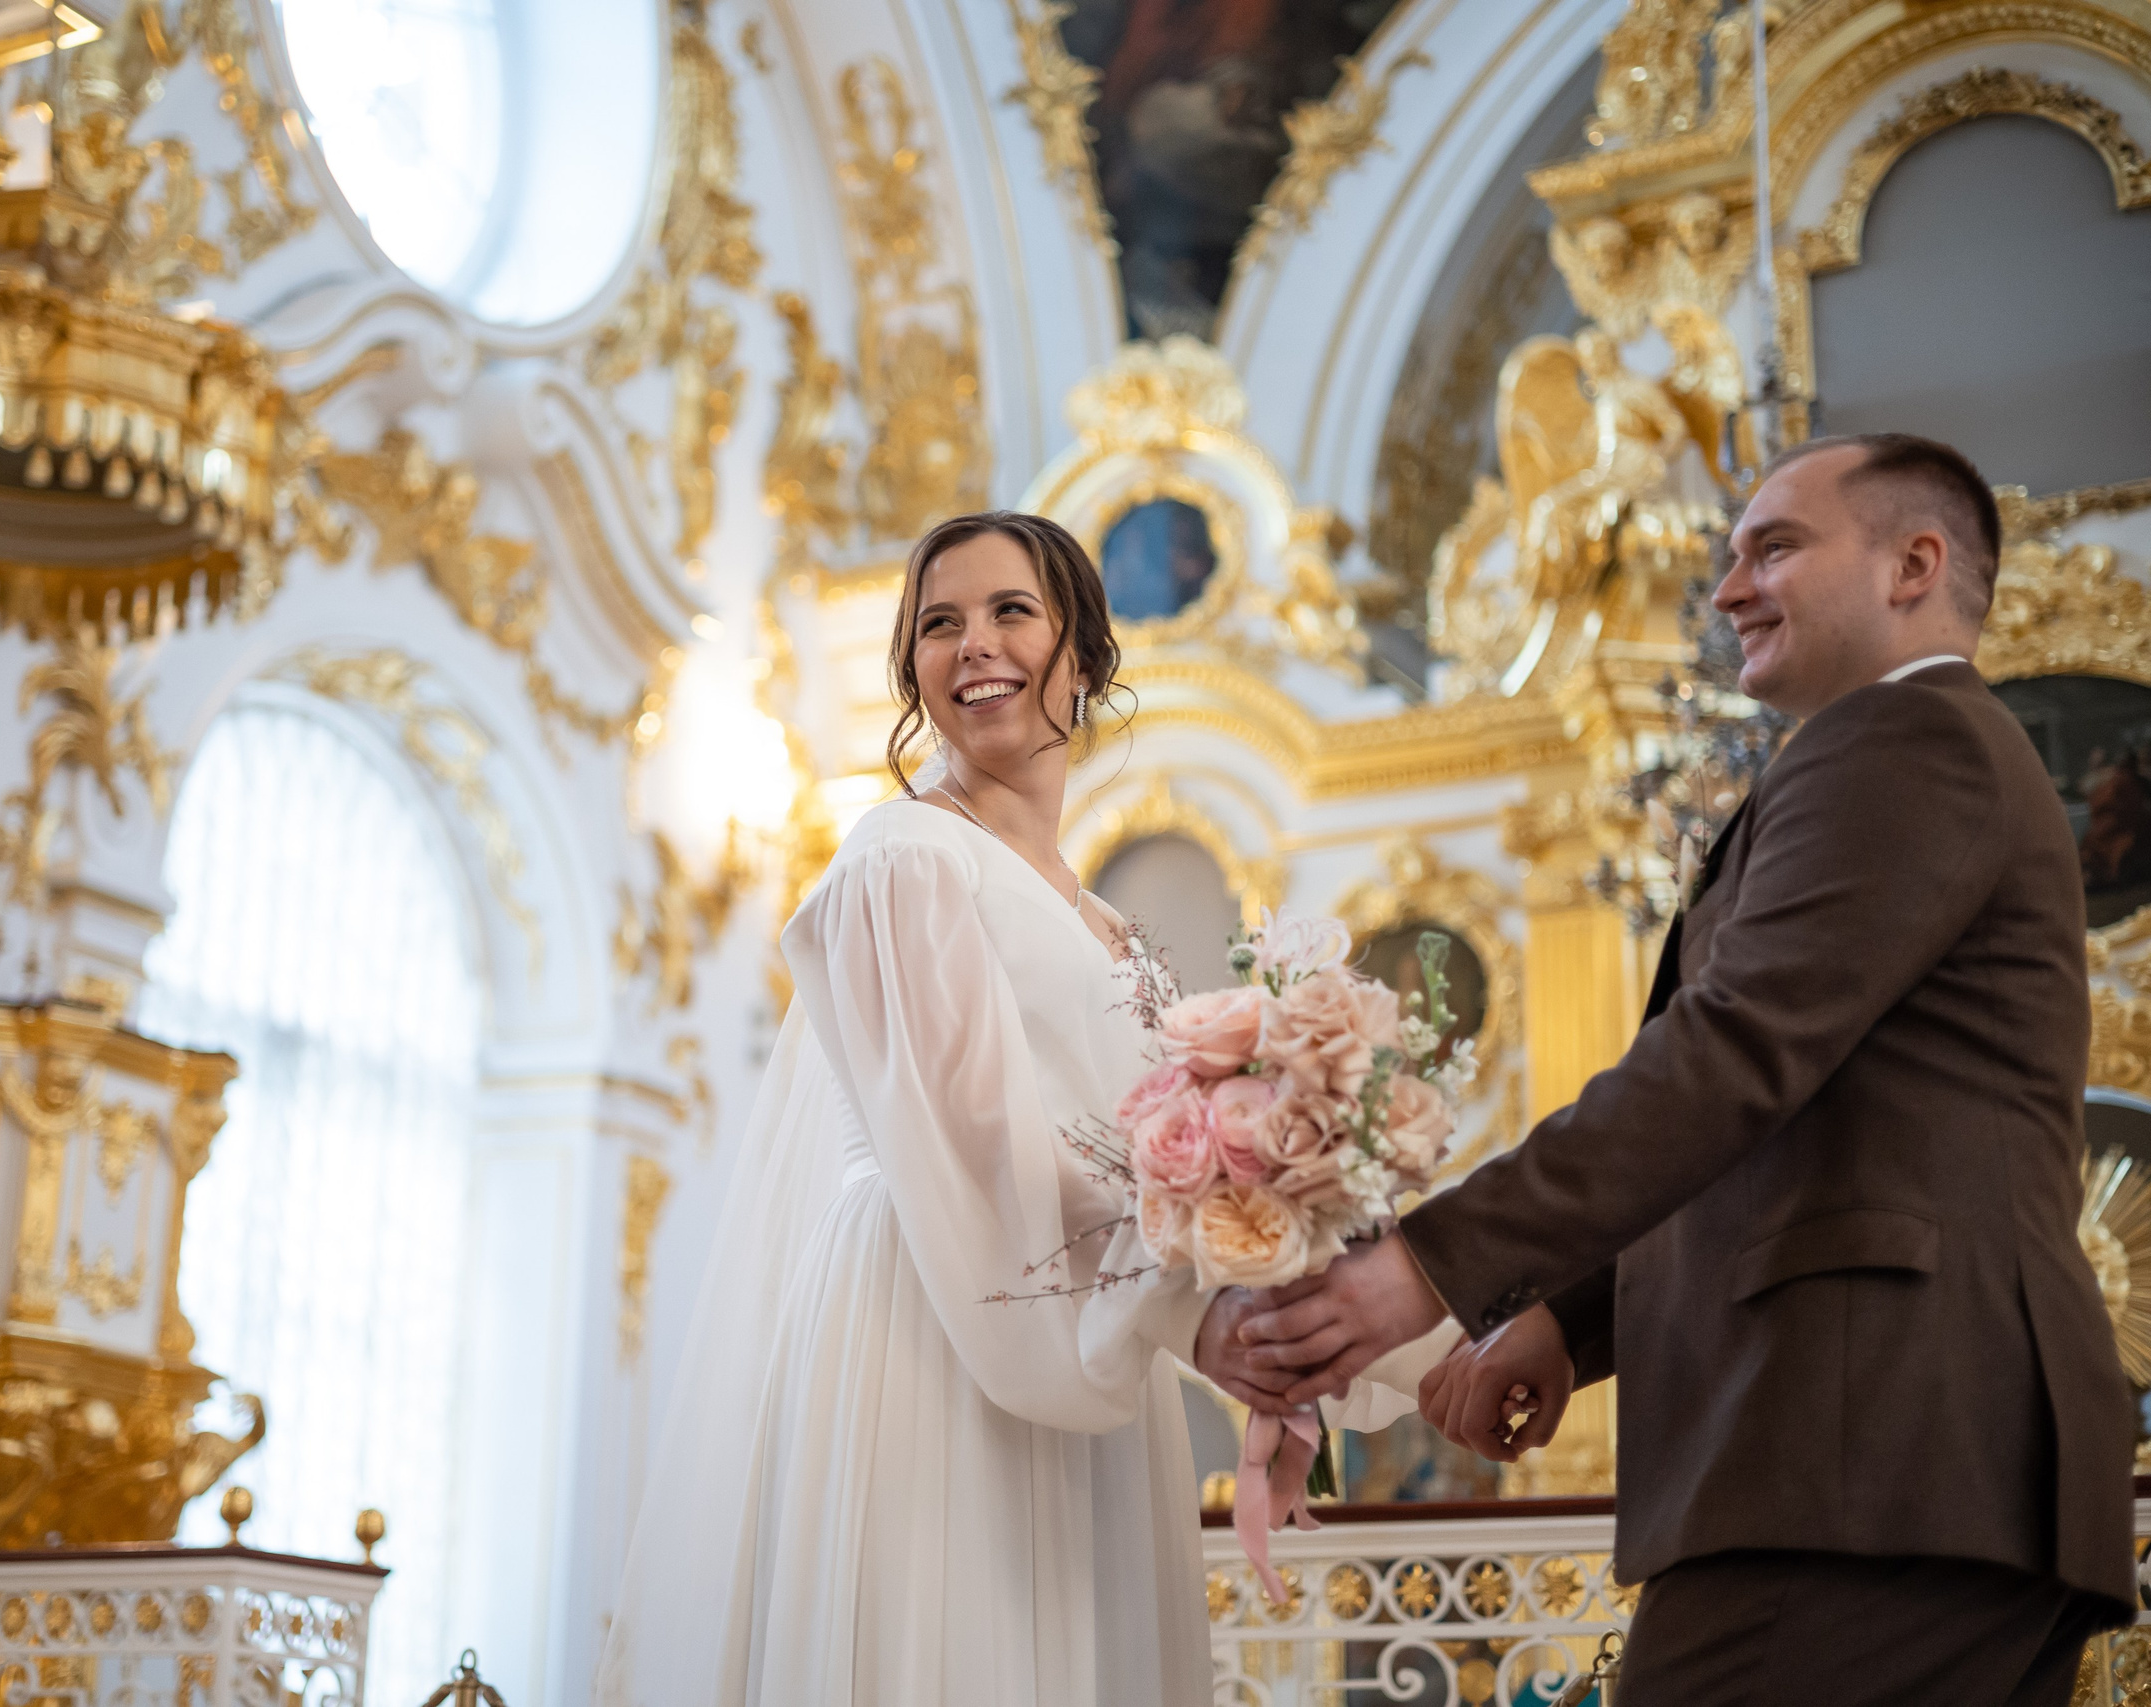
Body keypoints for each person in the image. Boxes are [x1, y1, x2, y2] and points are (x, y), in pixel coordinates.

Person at [1231, 435, 2138, 1700]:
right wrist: (1567, 1318)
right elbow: (1786, 1116)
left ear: (1912, 565)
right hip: (1908, 1464)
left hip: (1861, 1461)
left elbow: (1729, 1060)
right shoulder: (1908, 750)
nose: (1726, 590)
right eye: (1728, 555)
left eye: (1774, 546)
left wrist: (1430, 1266)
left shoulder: (1900, 740)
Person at [592, 511, 1329, 1707]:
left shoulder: (1106, 929)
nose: (972, 643)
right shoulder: (902, 857)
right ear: (914, 675)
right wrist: (1199, 1314)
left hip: (1090, 1322)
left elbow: (1147, 1152)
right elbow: (976, 1134)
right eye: (938, 623)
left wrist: (1270, 1289)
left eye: (1009, 612)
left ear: (1080, 658)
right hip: (931, 1306)